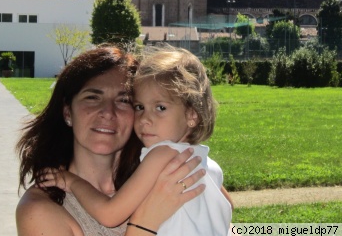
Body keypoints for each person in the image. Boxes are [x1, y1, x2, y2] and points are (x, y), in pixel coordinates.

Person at [39, 45, 232, 236]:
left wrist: (71, 181)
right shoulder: (206, 163)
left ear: (192, 115)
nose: (145, 119)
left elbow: (109, 214)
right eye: (140, 107)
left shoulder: (162, 155)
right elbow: (228, 208)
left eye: (161, 108)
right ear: (67, 111)